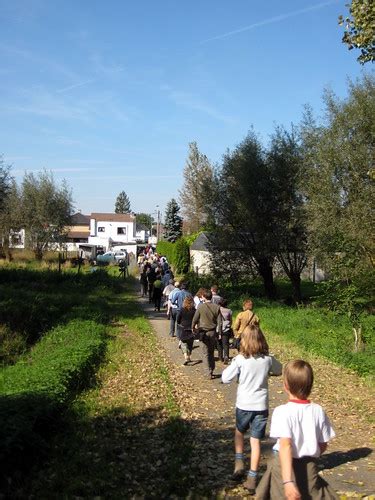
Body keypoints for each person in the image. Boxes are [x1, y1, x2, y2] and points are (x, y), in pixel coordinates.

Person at [256, 360, 337, 500]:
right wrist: (309, 452)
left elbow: (285, 446)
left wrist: (288, 481)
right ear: (310, 385)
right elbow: (323, 444)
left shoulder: (282, 412)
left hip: (282, 468)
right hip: (309, 465)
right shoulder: (318, 411)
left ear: (285, 386)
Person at [221, 325, 282, 493]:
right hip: (261, 406)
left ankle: (239, 463)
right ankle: (252, 477)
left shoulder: (240, 360)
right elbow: (280, 370)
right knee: (256, 442)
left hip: (244, 404)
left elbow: (225, 378)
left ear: (243, 341)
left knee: (240, 432)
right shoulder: (268, 360)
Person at [191, 289, 222, 379]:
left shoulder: (200, 307)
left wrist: (192, 327)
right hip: (212, 332)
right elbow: (219, 322)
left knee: (205, 353)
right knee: (211, 352)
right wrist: (219, 332)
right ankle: (212, 369)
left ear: (204, 297)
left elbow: (195, 319)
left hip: (203, 332)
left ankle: (208, 371)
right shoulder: (217, 307)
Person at [177, 296, 196, 365]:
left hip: (183, 328)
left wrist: (179, 323)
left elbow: (178, 319)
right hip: (191, 328)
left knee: (183, 342)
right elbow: (196, 319)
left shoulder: (182, 309)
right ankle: (189, 356)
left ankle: (185, 356)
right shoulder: (194, 310)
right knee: (190, 343)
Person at [217, 298, 233, 364]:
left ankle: (220, 357)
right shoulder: (229, 311)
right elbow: (231, 320)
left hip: (218, 329)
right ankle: (226, 356)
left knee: (219, 343)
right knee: (226, 344)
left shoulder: (217, 310)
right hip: (226, 329)